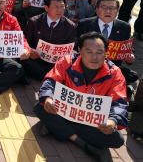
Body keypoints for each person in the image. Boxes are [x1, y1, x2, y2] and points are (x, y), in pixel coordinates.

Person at [34, 32, 126, 162]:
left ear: (106, 52)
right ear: (79, 50)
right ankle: (84, 144)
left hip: (91, 120)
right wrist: (48, 98)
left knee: (117, 139)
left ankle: (55, 127)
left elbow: (120, 102)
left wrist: (113, 121)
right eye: (89, 51)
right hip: (63, 112)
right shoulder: (67, 61)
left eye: (100, 52)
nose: (94, 57)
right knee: (40, 107)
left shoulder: (115, 73)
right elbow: (50, 81)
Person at [77, 0, 137, 93]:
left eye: (112, 8)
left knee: (133, 76)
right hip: (89, 65)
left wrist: (131, 56)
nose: (108, 11)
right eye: (104, 7)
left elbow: (129, 45)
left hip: (112, 66)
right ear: (97, 10)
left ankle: (104, 84)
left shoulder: (124, 26)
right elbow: (77, 46)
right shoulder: (84, 24)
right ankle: (111, 85)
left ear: (117, 11)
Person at [23, 0, 77, 81]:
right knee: (24, 59)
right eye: (55, 7)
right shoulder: (34, 22)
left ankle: (48, 77)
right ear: (46, 8)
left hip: (57, 61)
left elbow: (71, 47)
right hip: (36, 58)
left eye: (62, 6)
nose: (59, 10)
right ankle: (52, 77)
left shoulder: (71, 26)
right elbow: (25, 41)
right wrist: (29, 49)